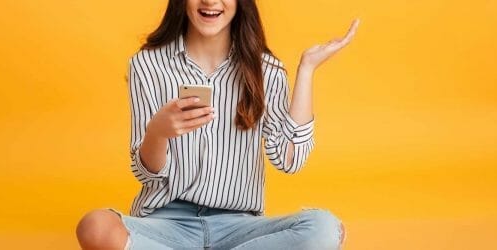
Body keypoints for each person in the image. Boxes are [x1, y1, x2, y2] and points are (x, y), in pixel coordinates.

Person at [77, 0, 359, 249]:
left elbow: (290, 161)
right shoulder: (147, 65)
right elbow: (147, 175)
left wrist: (306, 70)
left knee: (325, 229)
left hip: (239, 227)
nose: (210, 1)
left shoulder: (266, 70)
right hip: (166, 224)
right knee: (95, 227)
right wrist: (158, 132)